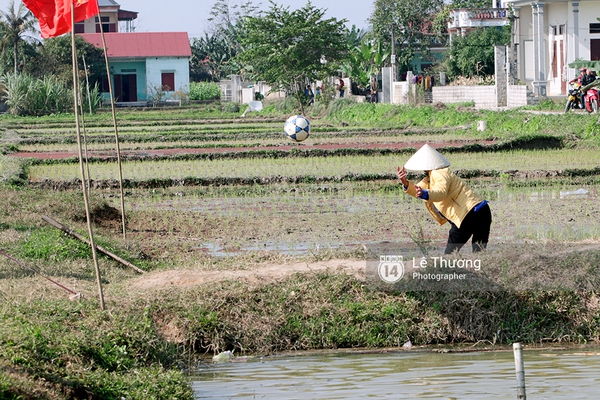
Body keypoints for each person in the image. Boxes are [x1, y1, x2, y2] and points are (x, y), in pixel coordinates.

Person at [396, 144, 492, 254]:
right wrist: (405, 182)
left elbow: (440, 193)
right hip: (482, 210)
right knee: (479, 251)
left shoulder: (438, 173)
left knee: (449, 255)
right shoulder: (430, 178)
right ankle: (482, 270)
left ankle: (450, 270)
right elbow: (417, 189)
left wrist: (425, 194)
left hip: (467, 215)